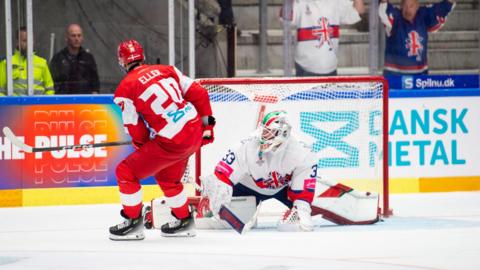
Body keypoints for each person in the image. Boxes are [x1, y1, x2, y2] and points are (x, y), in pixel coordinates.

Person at [108, 39, 215, 241]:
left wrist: (142, 145)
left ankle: (133, 222)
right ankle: (184, 220)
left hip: (173, 140)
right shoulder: (167, 69)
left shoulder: (125, 89)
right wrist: (208, 127)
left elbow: (134, 127)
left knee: (126, 172)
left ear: (122, 62)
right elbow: (199, 93)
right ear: (142, 57)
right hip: (194, 130)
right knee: (167, 178)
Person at [200, 110, 319, 231]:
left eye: (269, 132)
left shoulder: (302, 152)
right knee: (221, 220)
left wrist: (301, 211)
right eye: (264, 130)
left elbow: (303, 193)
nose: (263, 135)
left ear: (282, 133)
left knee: (305, 216)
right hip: (249, 187)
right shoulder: (247, 145)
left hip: (284, 188)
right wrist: (218, 189)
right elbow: (223, 174)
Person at [281, 0, 365, 76]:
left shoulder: (337, 2)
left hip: (330, 66)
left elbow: (359, 11)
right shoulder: (300, 2)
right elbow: (285, 16)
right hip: (305, 67)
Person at [379, 0, 455, 75]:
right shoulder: (395, 17)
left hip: (420, 75)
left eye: (411, 6)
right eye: (405, 6)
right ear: (401, 6)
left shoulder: (423, 15)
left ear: (417, 6)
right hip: (394, 74)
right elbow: (384, 8)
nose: (408, 10)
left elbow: (442, 8)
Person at [0, 27, 54, 96]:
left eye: (31, 40)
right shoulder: (6, 63)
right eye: (24, 40)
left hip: (37, 105)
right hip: (15, 106)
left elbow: (50, 89)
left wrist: (42, 104)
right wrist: (10, 105)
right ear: (17, 42)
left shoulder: (42, 63)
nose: (28, 43)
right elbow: (1, 90)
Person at [49, 24, 100, 94]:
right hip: (64, 101)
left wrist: (94, 96)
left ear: (82, 38)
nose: (76, 39)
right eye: (73, 36)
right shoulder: (58, 59)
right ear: (66, 38)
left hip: (84, 101)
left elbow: (95, 82)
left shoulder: (88, 58)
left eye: (79, 35)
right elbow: (52, 82)